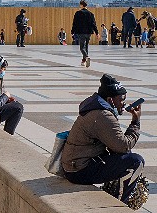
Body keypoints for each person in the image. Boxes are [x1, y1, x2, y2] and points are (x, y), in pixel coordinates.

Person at [62, 74, 148, 209]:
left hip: (75, 164)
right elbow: (123, 146)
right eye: (121, 99)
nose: (124, 103)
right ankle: (118, 205)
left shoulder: (98, 109)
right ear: (110, 100)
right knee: (135, 162)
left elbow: (117, 147)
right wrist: (135, 122)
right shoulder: (103, 115)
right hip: (79, 171)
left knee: (126, 157)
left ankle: (114, 194)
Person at [72, 0, 97, 67]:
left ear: (81, 5)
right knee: (86, 47)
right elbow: (93, 24)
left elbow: (75, 23)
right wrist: (97, 33)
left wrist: (72, 31)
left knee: (82, 47)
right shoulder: (91, 14)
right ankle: (83, 61)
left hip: (81, 32)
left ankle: (86, 57)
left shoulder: (78, 13)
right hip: (88, 32)